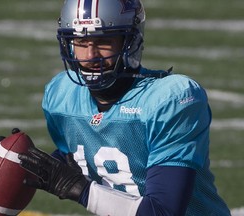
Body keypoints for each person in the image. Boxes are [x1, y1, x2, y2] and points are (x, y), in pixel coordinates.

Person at [16, 0, 231, 215]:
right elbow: (75, 161)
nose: (90, 56)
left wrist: (80, 190)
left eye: (103, 41)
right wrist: (16, 162)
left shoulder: (170, 100)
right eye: (81, 41)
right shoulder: (62, 96)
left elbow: (163, 211)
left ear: (130, 41)